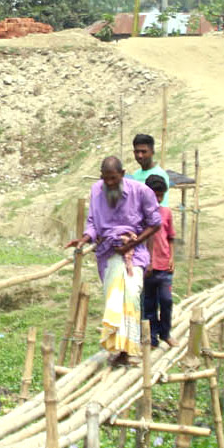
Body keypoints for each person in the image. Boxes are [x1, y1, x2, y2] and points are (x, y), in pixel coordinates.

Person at [66, 157, 162, 367]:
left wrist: (130, 246)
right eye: (105, 179)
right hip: (108, 254)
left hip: (133, 253)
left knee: (131, 295)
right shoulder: (96, 191)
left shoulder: (141, 192)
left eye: (113, 179)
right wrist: (84, 239)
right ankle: (117, 347)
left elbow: (155, 224)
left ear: (122, 174)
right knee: (113, 301)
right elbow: (92, 223)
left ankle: (128, 350)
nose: (109, 183)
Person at [140, 174, 176, 349]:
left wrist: (172, 258)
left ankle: (165, 333)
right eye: (155, 195)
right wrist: (146, 262)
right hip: (147, 268)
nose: (158, 199)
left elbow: (171, 238)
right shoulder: (140, 215)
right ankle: (152, 338)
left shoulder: (166, 213)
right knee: (149, 304)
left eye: (161, 195)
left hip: (164, 267)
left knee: (166, 300)